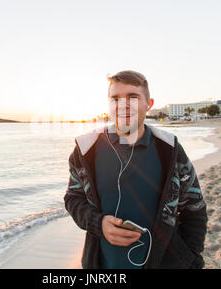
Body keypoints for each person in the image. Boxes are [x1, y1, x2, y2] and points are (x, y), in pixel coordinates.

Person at [64, 70, 208, 269]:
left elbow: (195, 209)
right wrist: (99, 224)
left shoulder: (169, 150)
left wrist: (192, 259)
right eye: (115, 98)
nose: (123, 104)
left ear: (148, 104)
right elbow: (73, 198)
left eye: (132, 97)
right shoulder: (86, 149)